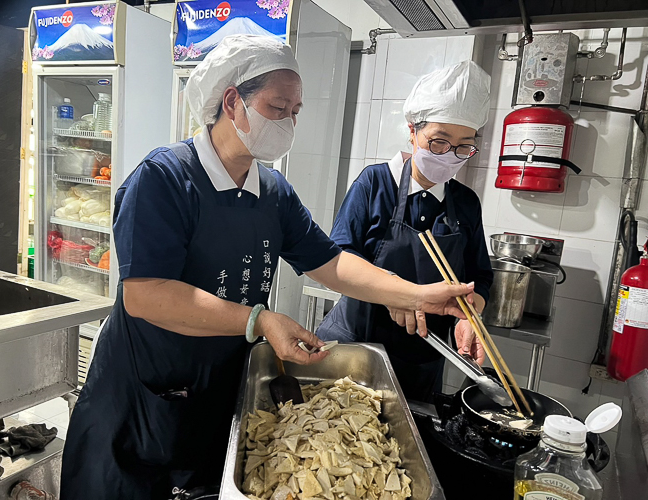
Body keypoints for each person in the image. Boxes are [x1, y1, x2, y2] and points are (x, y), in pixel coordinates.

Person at [59, 35, 475, 500]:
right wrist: (257, 319)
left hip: (219, 386)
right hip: (144, 391)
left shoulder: (273, 192)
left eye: (295, 111)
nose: (289, 122)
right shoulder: (164, 179)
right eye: (279, 108)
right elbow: (145, 294)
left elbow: (332, 263)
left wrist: (418, 294)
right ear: (232, 101)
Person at [317, 61, 494, 402]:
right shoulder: (375, 183)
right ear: (413, 131)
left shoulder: (466, 203)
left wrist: (472, 314)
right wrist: (394, 291)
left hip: (423, 360)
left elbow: (480, 276)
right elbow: (340, 256)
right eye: (439, 141)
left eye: (463, 146)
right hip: (356, 348)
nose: (449, 156)